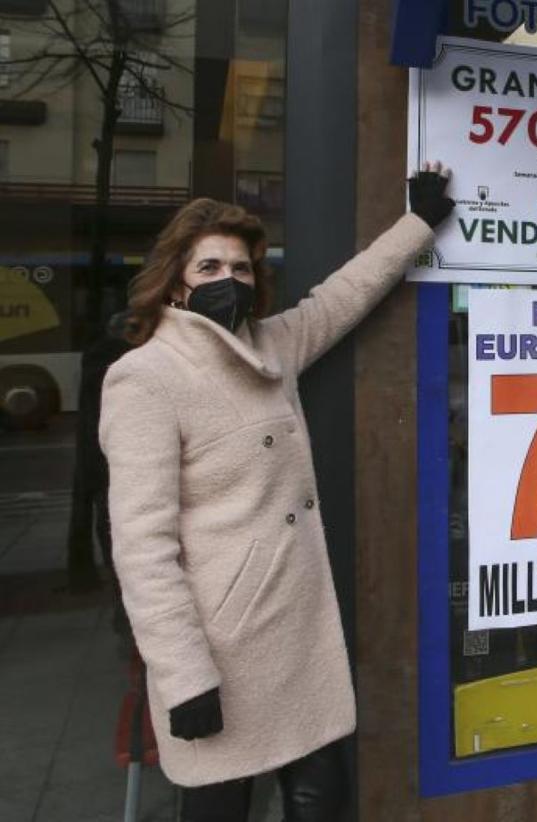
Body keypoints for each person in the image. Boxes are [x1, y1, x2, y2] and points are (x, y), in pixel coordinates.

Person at [99, 163, 454, 820]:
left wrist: (418, 223)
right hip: (221, 652)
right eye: (208, 268)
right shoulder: (144, 379)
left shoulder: (270, 345)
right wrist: (182, 676)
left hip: (298, 643)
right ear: (174, 282)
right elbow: (143, 546)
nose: (227, 281)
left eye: (239, 269)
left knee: (324, 802)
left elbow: (343, 297)